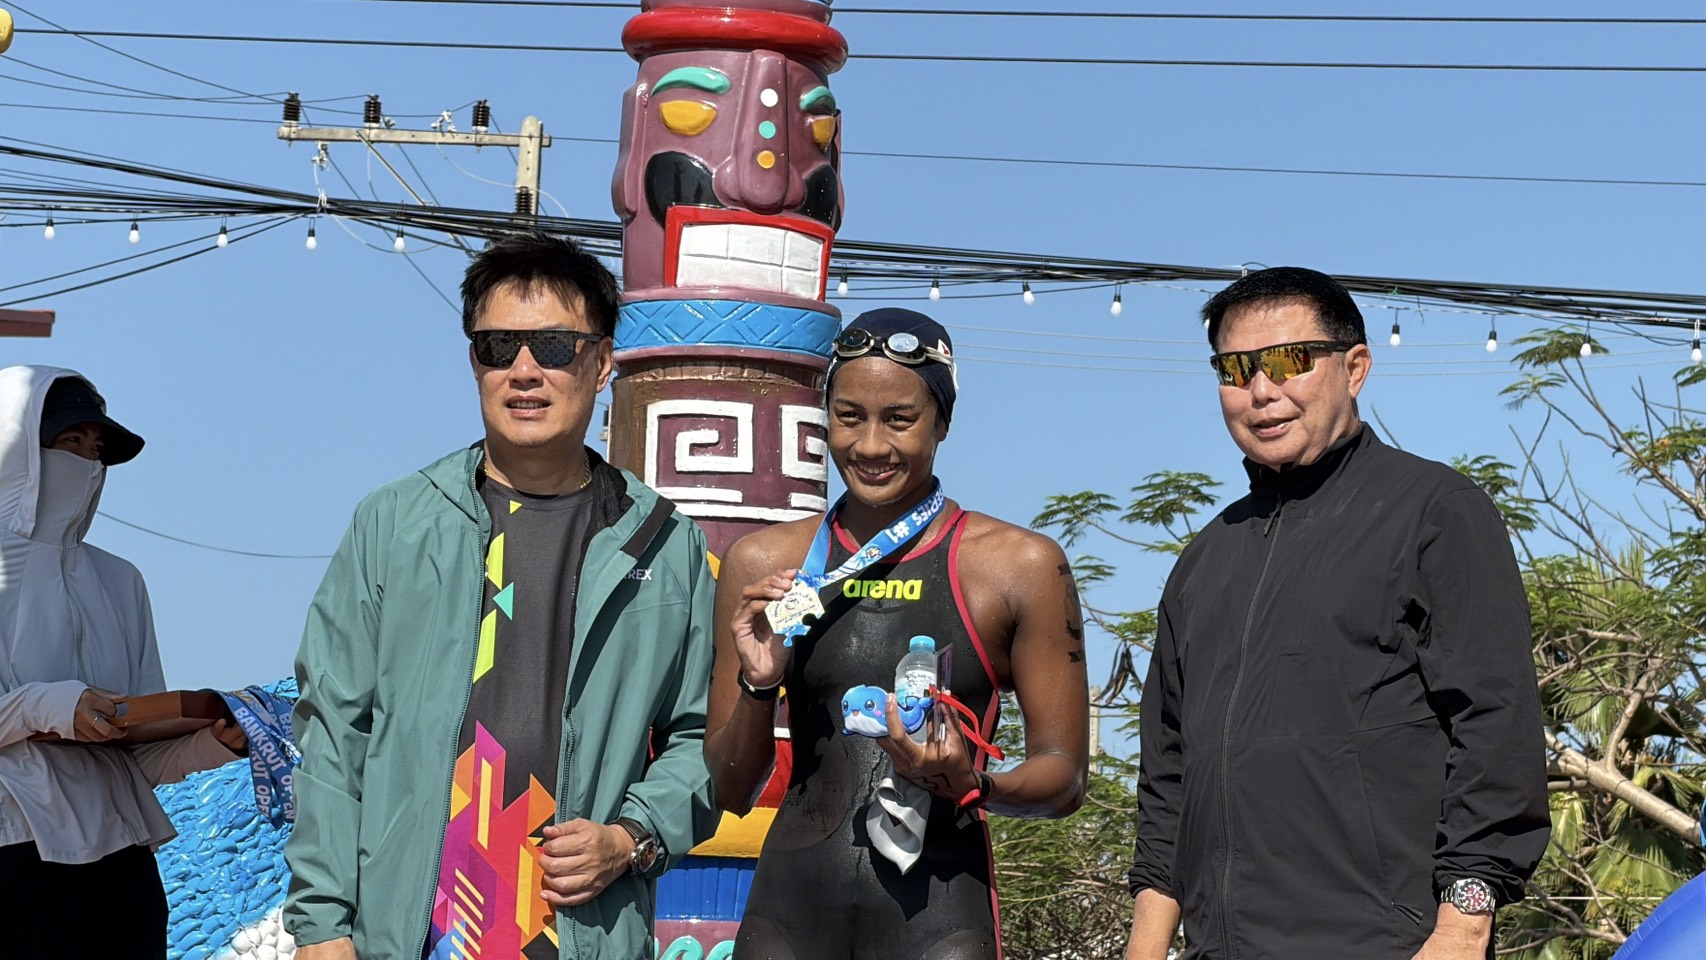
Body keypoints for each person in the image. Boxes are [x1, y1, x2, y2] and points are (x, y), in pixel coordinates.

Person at [283, 234, 720, 960]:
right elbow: (333, 731)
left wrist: (632, 835)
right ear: (473, 363)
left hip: (580, 933)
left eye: (553, 347)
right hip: (408, 937)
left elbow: (702, 735)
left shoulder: (665, 545)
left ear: (602, 363)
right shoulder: (394, 523)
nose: (523, 371)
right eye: (497, 347)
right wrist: (323, 925)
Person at [1124, 268, 1549, 960]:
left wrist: (1462, 930)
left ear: (1354, 368)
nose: (1262, 391)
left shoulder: (1435, 512)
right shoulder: (1203, 560)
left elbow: (1496, 730)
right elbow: (1168, 779)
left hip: (1389, 944)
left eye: (1289, 360)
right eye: (1235, 370)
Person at [706, 308, 1090, 960]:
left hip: (941, 925)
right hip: (788, 921)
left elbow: (1066, 777)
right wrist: (758, 684)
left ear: (943, 422)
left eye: (900, 419)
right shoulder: (765, 564)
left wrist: (973, 783)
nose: (871, 446)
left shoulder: (1019, 567)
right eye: (849, 416)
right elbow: (729, 790)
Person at [0, 366, 247, 960]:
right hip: (14, 848)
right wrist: (47, 705)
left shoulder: (120, 579)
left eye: (97, 448)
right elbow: (45, 713)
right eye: (69, 440)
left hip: (122, 862)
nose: (87, 462)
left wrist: (213, 742)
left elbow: (133, 749)